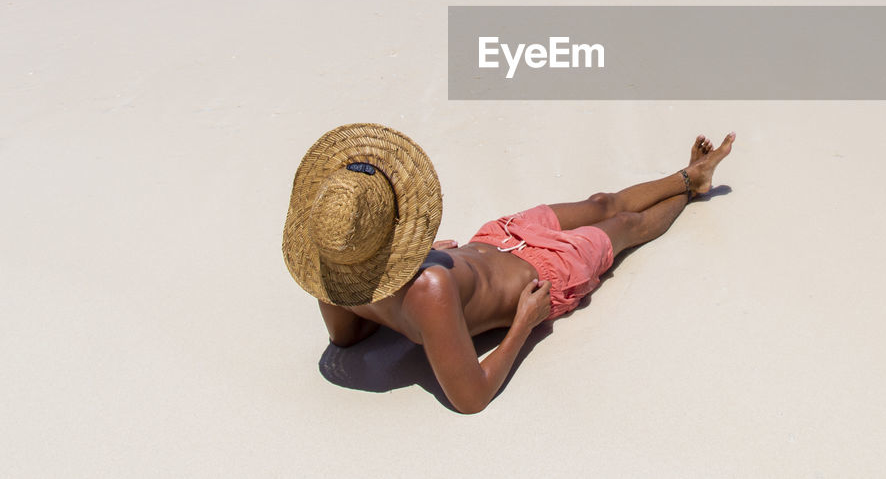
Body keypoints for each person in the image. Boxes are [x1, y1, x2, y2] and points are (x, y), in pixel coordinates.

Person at [283, 122, 735, 414]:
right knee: (625, 224)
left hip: (494, 237)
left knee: (602, 202)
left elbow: (349, 337)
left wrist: (414, 261)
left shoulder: (334, 278)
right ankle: (694, 191)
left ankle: (687, 176)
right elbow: (471, 398)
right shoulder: (430, 291)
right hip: (544, 271)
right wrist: (522, 324)